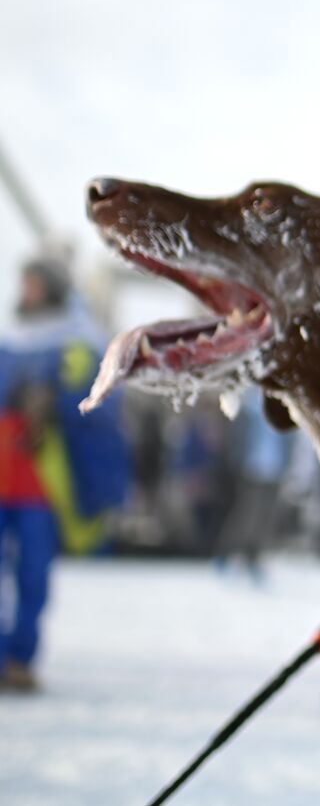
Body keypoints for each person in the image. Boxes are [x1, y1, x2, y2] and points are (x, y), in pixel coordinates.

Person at [0, 254, 130, 691]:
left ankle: (21, 658)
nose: (27, 292)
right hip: (2, 472)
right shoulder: (8, 339)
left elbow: (101, 404)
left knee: (32, 575)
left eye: (35, 284)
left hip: (42, 481)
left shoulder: (78, 343)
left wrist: (55, 405)